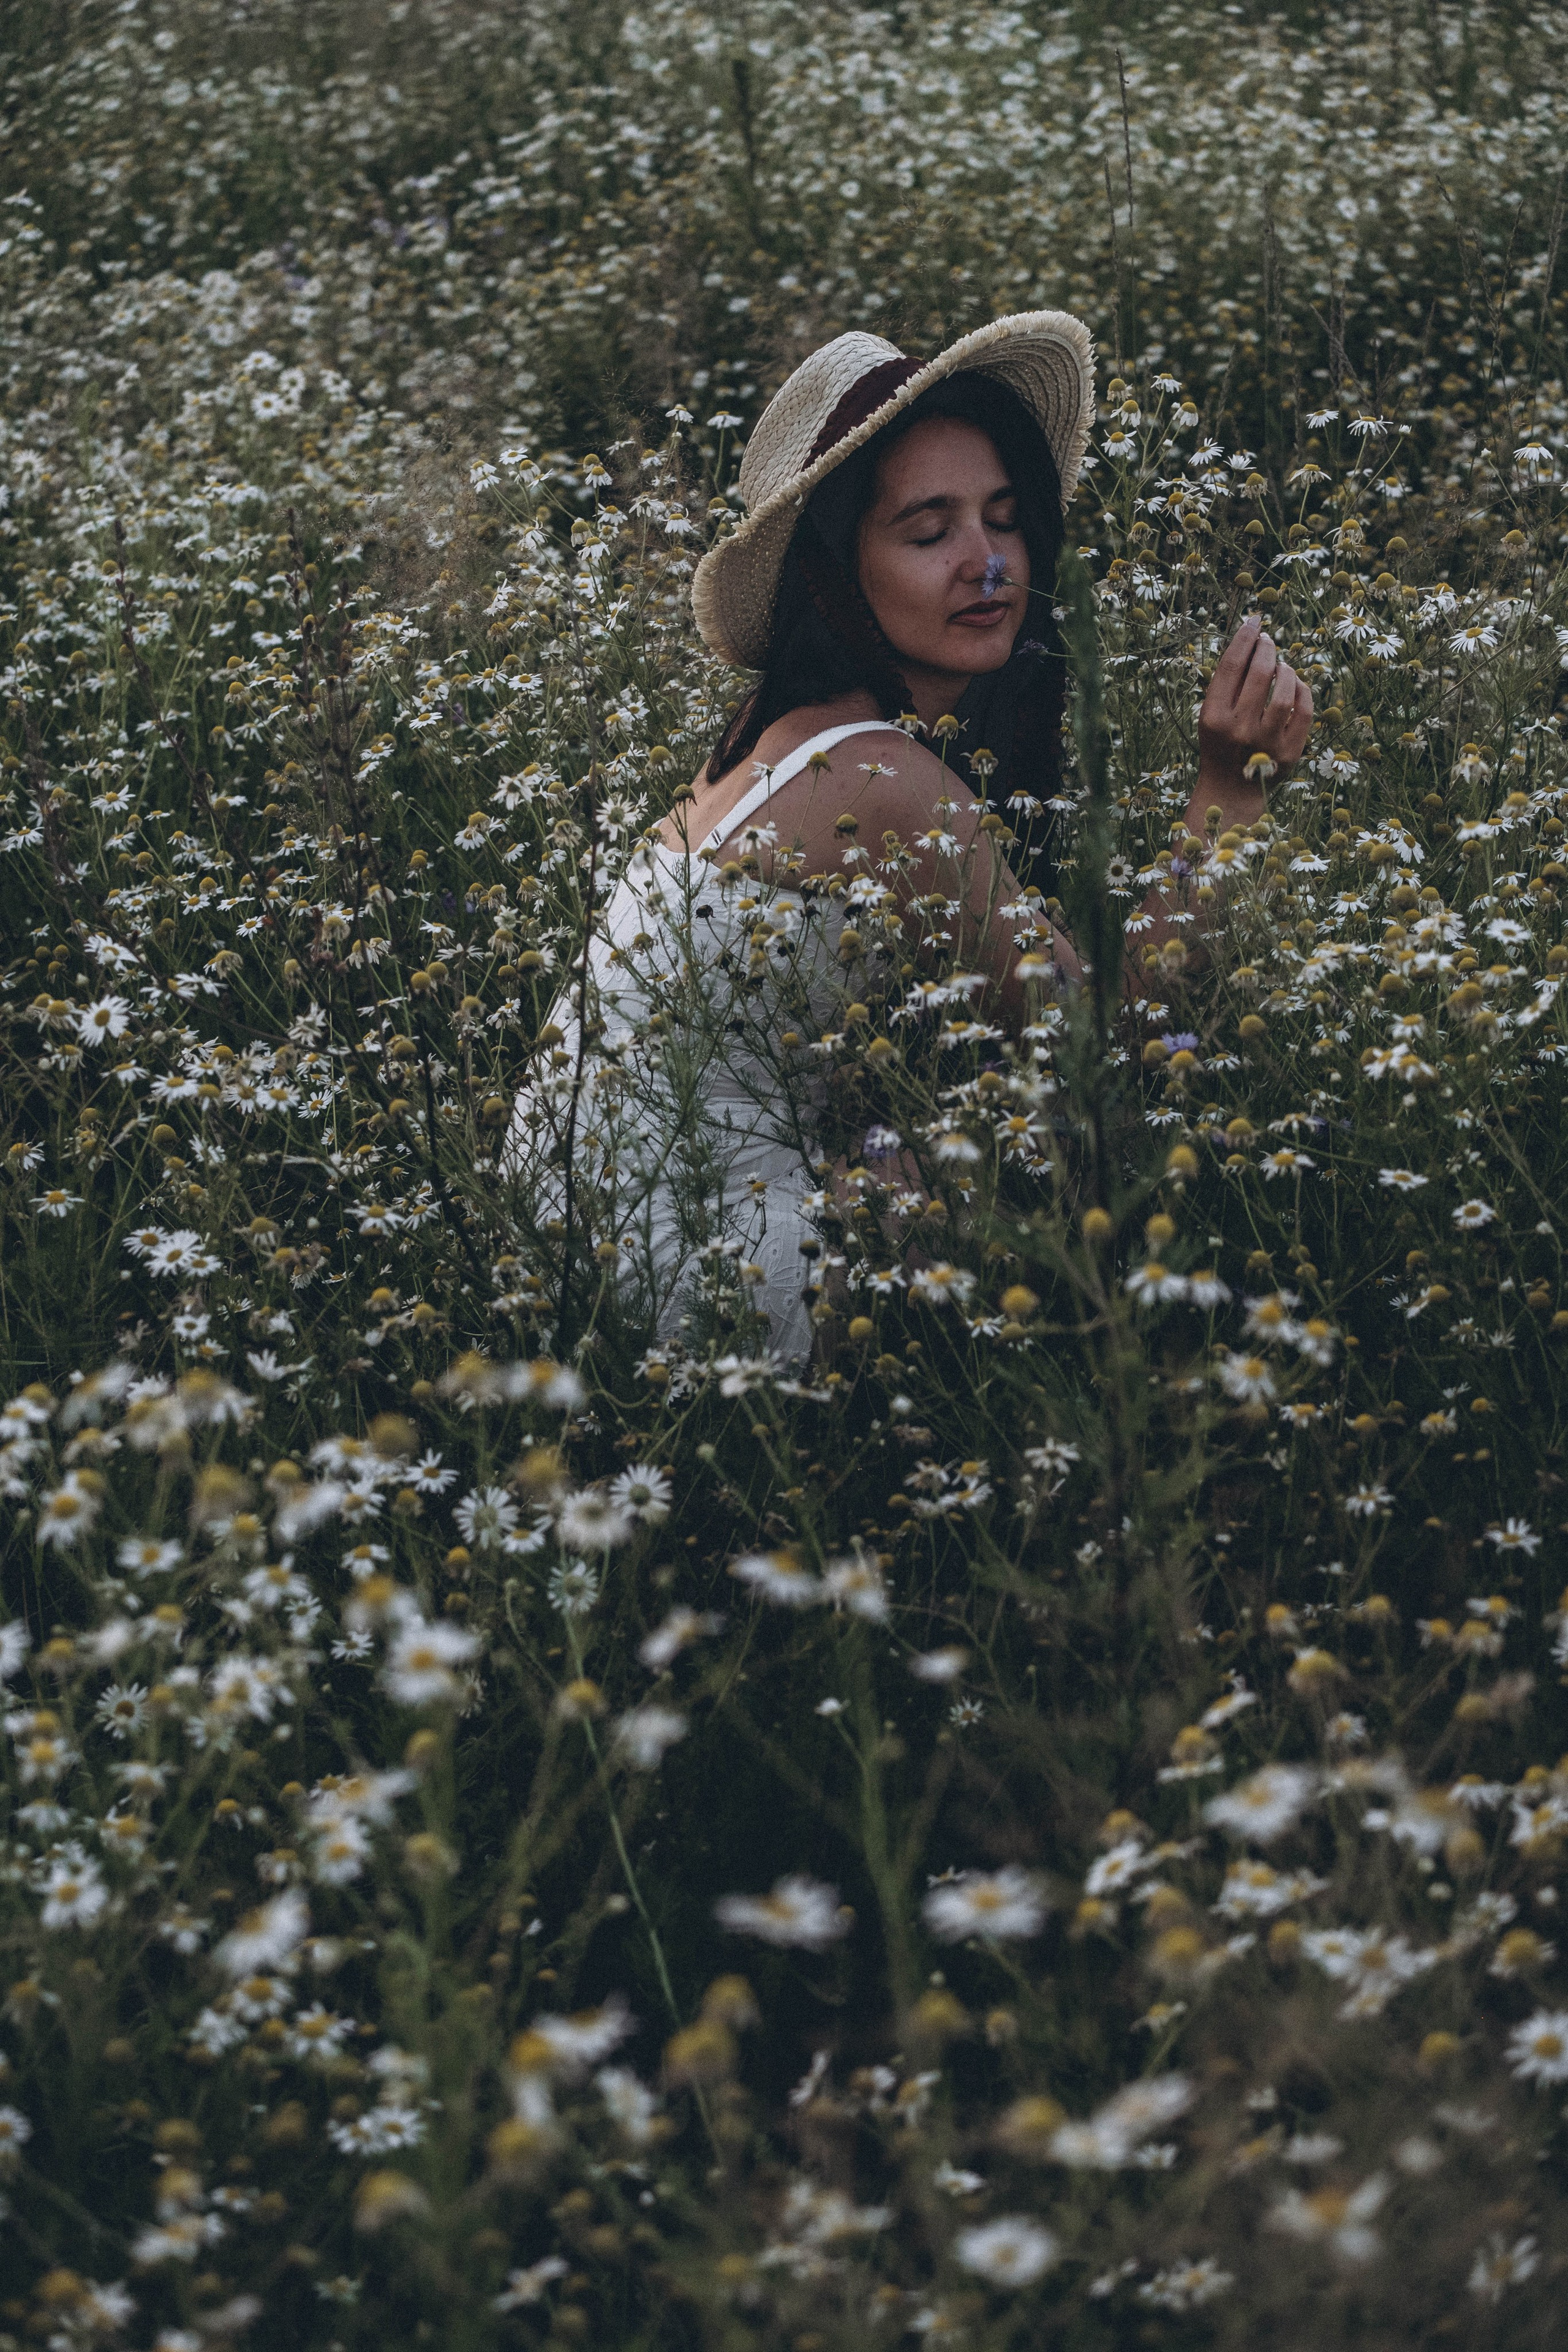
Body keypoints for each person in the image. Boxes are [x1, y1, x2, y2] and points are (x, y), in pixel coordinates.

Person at [508, 314, 1313, 1356]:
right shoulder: (881, 779)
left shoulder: (779, 740)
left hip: (570, 1243)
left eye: (1005, 520)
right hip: (684, 1269)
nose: (990, 565)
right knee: (1084, 1179)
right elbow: (1103, 1044)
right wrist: (1228, 792)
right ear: (835, 571)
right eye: (930, 533)